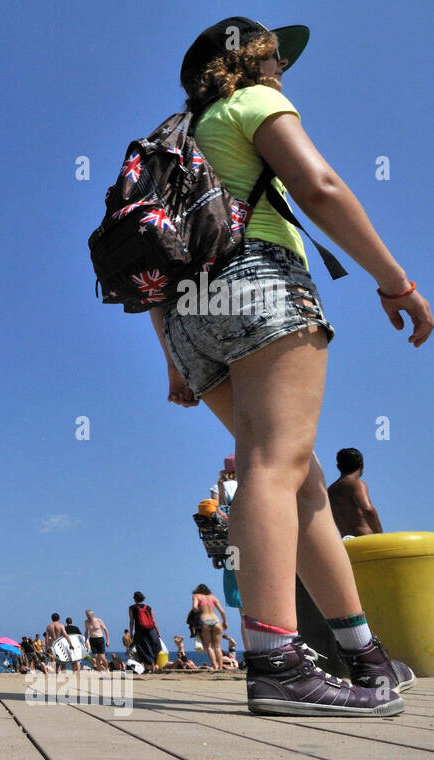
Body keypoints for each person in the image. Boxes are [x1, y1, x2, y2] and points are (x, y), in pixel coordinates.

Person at [150, 18, 422, 715]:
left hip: (188, 318)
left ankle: (360, 653)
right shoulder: (251, 105)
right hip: (257, 287)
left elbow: (152, 259)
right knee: (275, 463)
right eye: (279, 60)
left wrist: (174, 360)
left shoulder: (174, 141)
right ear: (252, 62)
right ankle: (275, 660)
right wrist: (396, 281)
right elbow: (320, 186)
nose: (285, 74)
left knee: (302, 481)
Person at [327, 448, 383, 538]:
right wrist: (381, 535)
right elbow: (368, 509)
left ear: (338, 467)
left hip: (346, 544)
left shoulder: (330, 491)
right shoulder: (356, 484)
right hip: (364, 540)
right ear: (362, 465)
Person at [191, 584, 228, 670]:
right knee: (218, 647)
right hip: (216, 621)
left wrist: (199, 611)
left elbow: (195, 608)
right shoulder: (213, 597)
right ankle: (220, 667)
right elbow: (222, 611)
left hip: (205, 621)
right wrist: (225, 622)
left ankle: (215, 666)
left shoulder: (196, 596)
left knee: (209, 647)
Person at [127, 593, 163, 673]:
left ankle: (149, 666)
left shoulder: (132, 608)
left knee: (143, 648)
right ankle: (153, 666)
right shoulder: (148, 608)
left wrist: (131, 632)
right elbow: (153, 621)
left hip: (140, 630)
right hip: (151, 630)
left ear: (135, 599)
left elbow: (132, 622)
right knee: (154, 647)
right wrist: (158, 632)